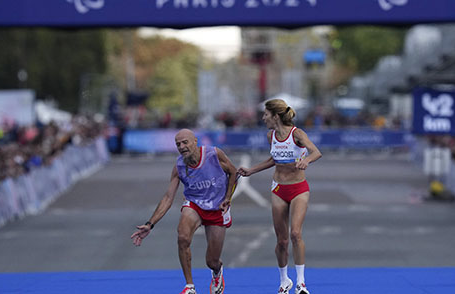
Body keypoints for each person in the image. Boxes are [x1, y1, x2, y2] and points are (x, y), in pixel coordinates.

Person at [131, 129, 238, 294]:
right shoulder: (179, 166)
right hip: (194, 205)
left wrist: (228, 199)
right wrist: (150, 224)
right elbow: (168, 197)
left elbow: (233, 172)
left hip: (217, 208)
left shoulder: (214, 154)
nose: (181, 147)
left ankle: (217, 272)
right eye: (178, 144)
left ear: (195, 141)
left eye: (185, 142)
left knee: (212, 260)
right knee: (182, 237)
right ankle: (190, 286)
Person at [237, 99, 322, 294]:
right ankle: (284, 281)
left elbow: (316, 152)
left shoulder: (297, 134)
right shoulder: (271, 136)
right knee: (282, 241)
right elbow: (273, 159)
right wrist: (251, 170)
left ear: (275, 116)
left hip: (299, 188)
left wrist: (307, 161)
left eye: (265, 114)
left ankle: (301, 283)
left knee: (295, 234)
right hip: (278, 189)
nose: (263, 118)